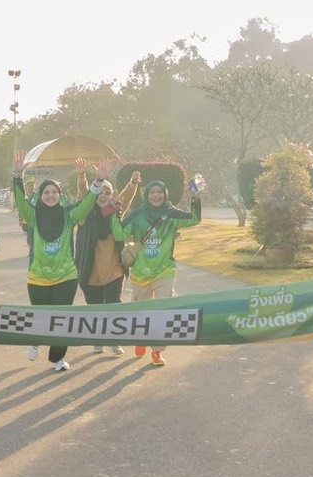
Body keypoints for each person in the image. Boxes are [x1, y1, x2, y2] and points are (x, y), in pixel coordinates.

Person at [13, 157, 111, 371]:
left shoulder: (70, 215)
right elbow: (20, 202)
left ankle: (58, 358)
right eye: (46, 192)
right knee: (40, 318)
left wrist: (99, 180)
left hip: (66, 276)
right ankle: (36, 340)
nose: (50, 195)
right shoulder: (33, 215)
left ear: (60, 195)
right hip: (38, 277)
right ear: (40, 196)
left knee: (62, 319)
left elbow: (87, 203)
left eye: (54, 192)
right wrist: (18, 176)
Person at [112, 177, 202, 366]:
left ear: (165, 194)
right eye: (152, 192)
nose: (156, 195)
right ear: (146, 195)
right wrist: (115, 212)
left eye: (160, 192)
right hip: (141, 272)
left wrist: (195, 196)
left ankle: (157, 350)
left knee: (163, 311)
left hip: (164, 270)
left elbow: (194, 219)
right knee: (142, 312)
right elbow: (119, 234)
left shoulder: (171, 214)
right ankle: (141, 339)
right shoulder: (137, 215)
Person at [74, 167, 142, 354]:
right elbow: (83, 194)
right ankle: (98, 339)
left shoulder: (115, 211)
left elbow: (125, 199)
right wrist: (82, 176)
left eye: (107, 192)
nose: (103, 195)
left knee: (113, 306)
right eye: (100, 191)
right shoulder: (84, 214)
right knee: (94, 308)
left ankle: (113, 340)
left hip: (114, 270)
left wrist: (133, 183)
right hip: (89, 270)